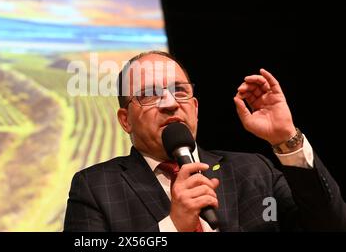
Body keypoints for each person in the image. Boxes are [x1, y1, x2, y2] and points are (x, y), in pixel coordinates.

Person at [64, 50, 346, 231]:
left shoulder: (254, 171)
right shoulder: (95, 188)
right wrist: (173, 228)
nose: (170, 103)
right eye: (149, 94)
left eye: (180, 91)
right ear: (125, 120)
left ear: (195, 108)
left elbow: (330, 225)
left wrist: (287, 138)